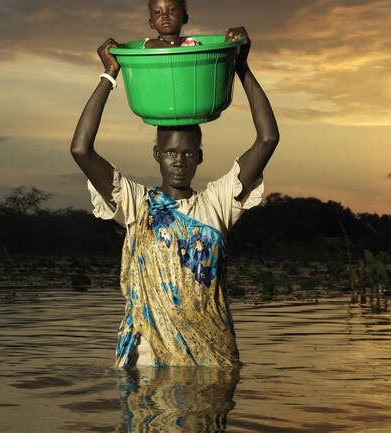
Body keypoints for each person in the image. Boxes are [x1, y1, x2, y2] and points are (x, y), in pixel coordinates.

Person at [70, 26, 279, 368]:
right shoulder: (136, 205)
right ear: (157, 154)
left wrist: (241, 67)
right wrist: (109, 74)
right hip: (148, 361)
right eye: (170, 153)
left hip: (212, 358)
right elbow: (81, 149)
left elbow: (267, 139)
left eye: (187, 153)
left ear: (199, 157)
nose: (179, 161)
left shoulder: (217, 203)